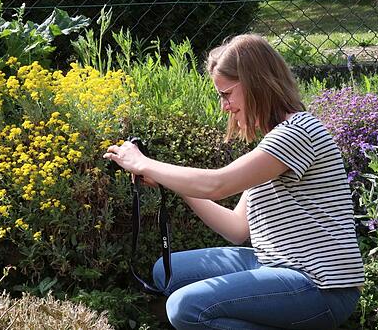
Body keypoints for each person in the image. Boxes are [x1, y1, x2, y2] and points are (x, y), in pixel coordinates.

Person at [104, 34, 364, 329]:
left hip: (320, 285)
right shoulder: (272, 145)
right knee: (167, 273)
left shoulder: (297, 133)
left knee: (184, 307)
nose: (224, 106)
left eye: (226, 94)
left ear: (255, 84)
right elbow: (236, 229)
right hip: (274, 264)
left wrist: (143, 162)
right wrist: (169, 183)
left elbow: (218, 184)